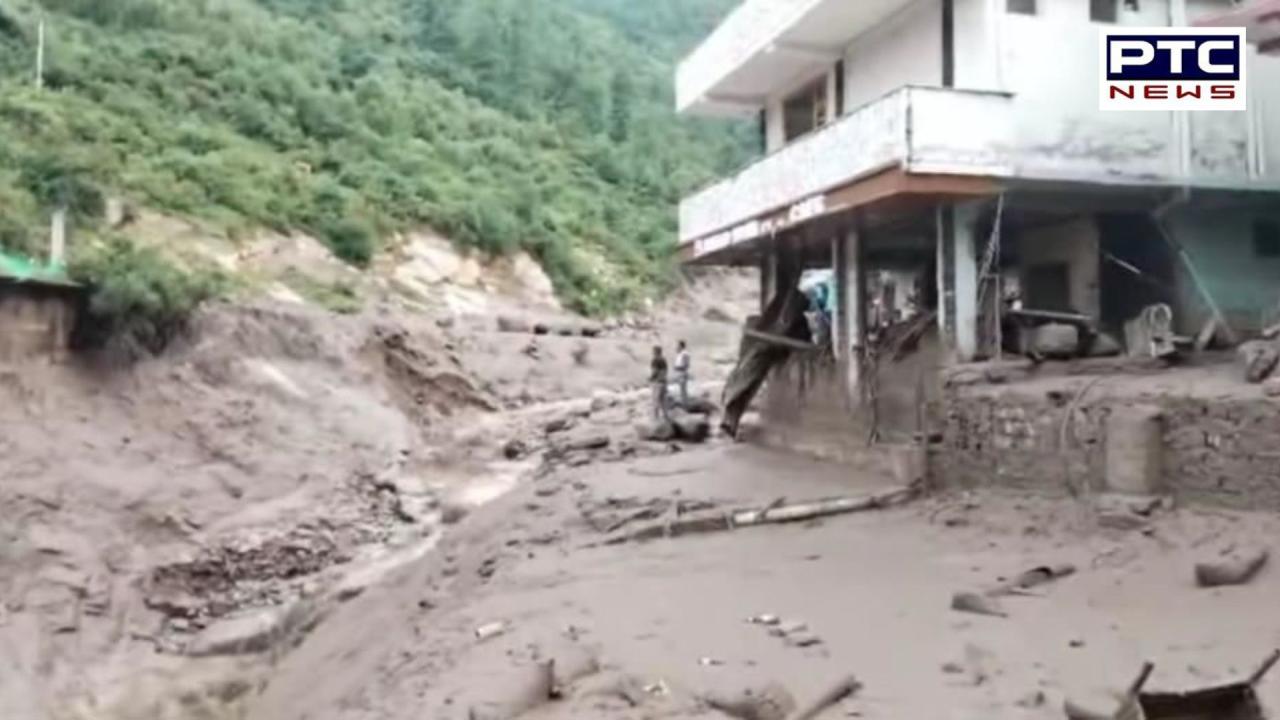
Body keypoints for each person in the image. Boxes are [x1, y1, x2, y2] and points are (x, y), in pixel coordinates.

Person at [649, 345, 669, 421]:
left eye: (653, 351)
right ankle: (666, 417)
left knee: (655, 401)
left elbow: (655, 371)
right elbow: (665, 371)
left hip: (657, 382)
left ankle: (655, 418)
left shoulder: (655, 360)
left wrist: (650, 378)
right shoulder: (664, 360)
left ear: (656, 352)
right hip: (664, 382)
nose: (652, 352)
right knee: (663, 401)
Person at [673, 340, 691, 408]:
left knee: (683, 389)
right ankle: (683, 403)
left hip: (682, 373)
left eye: (677, 345)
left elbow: (686, 365)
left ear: (681, 346)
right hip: (679, 372)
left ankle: (685, 404)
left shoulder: (685, 354)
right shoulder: (680, 354)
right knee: (680, 389)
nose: (676, 347)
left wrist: (677, 367)